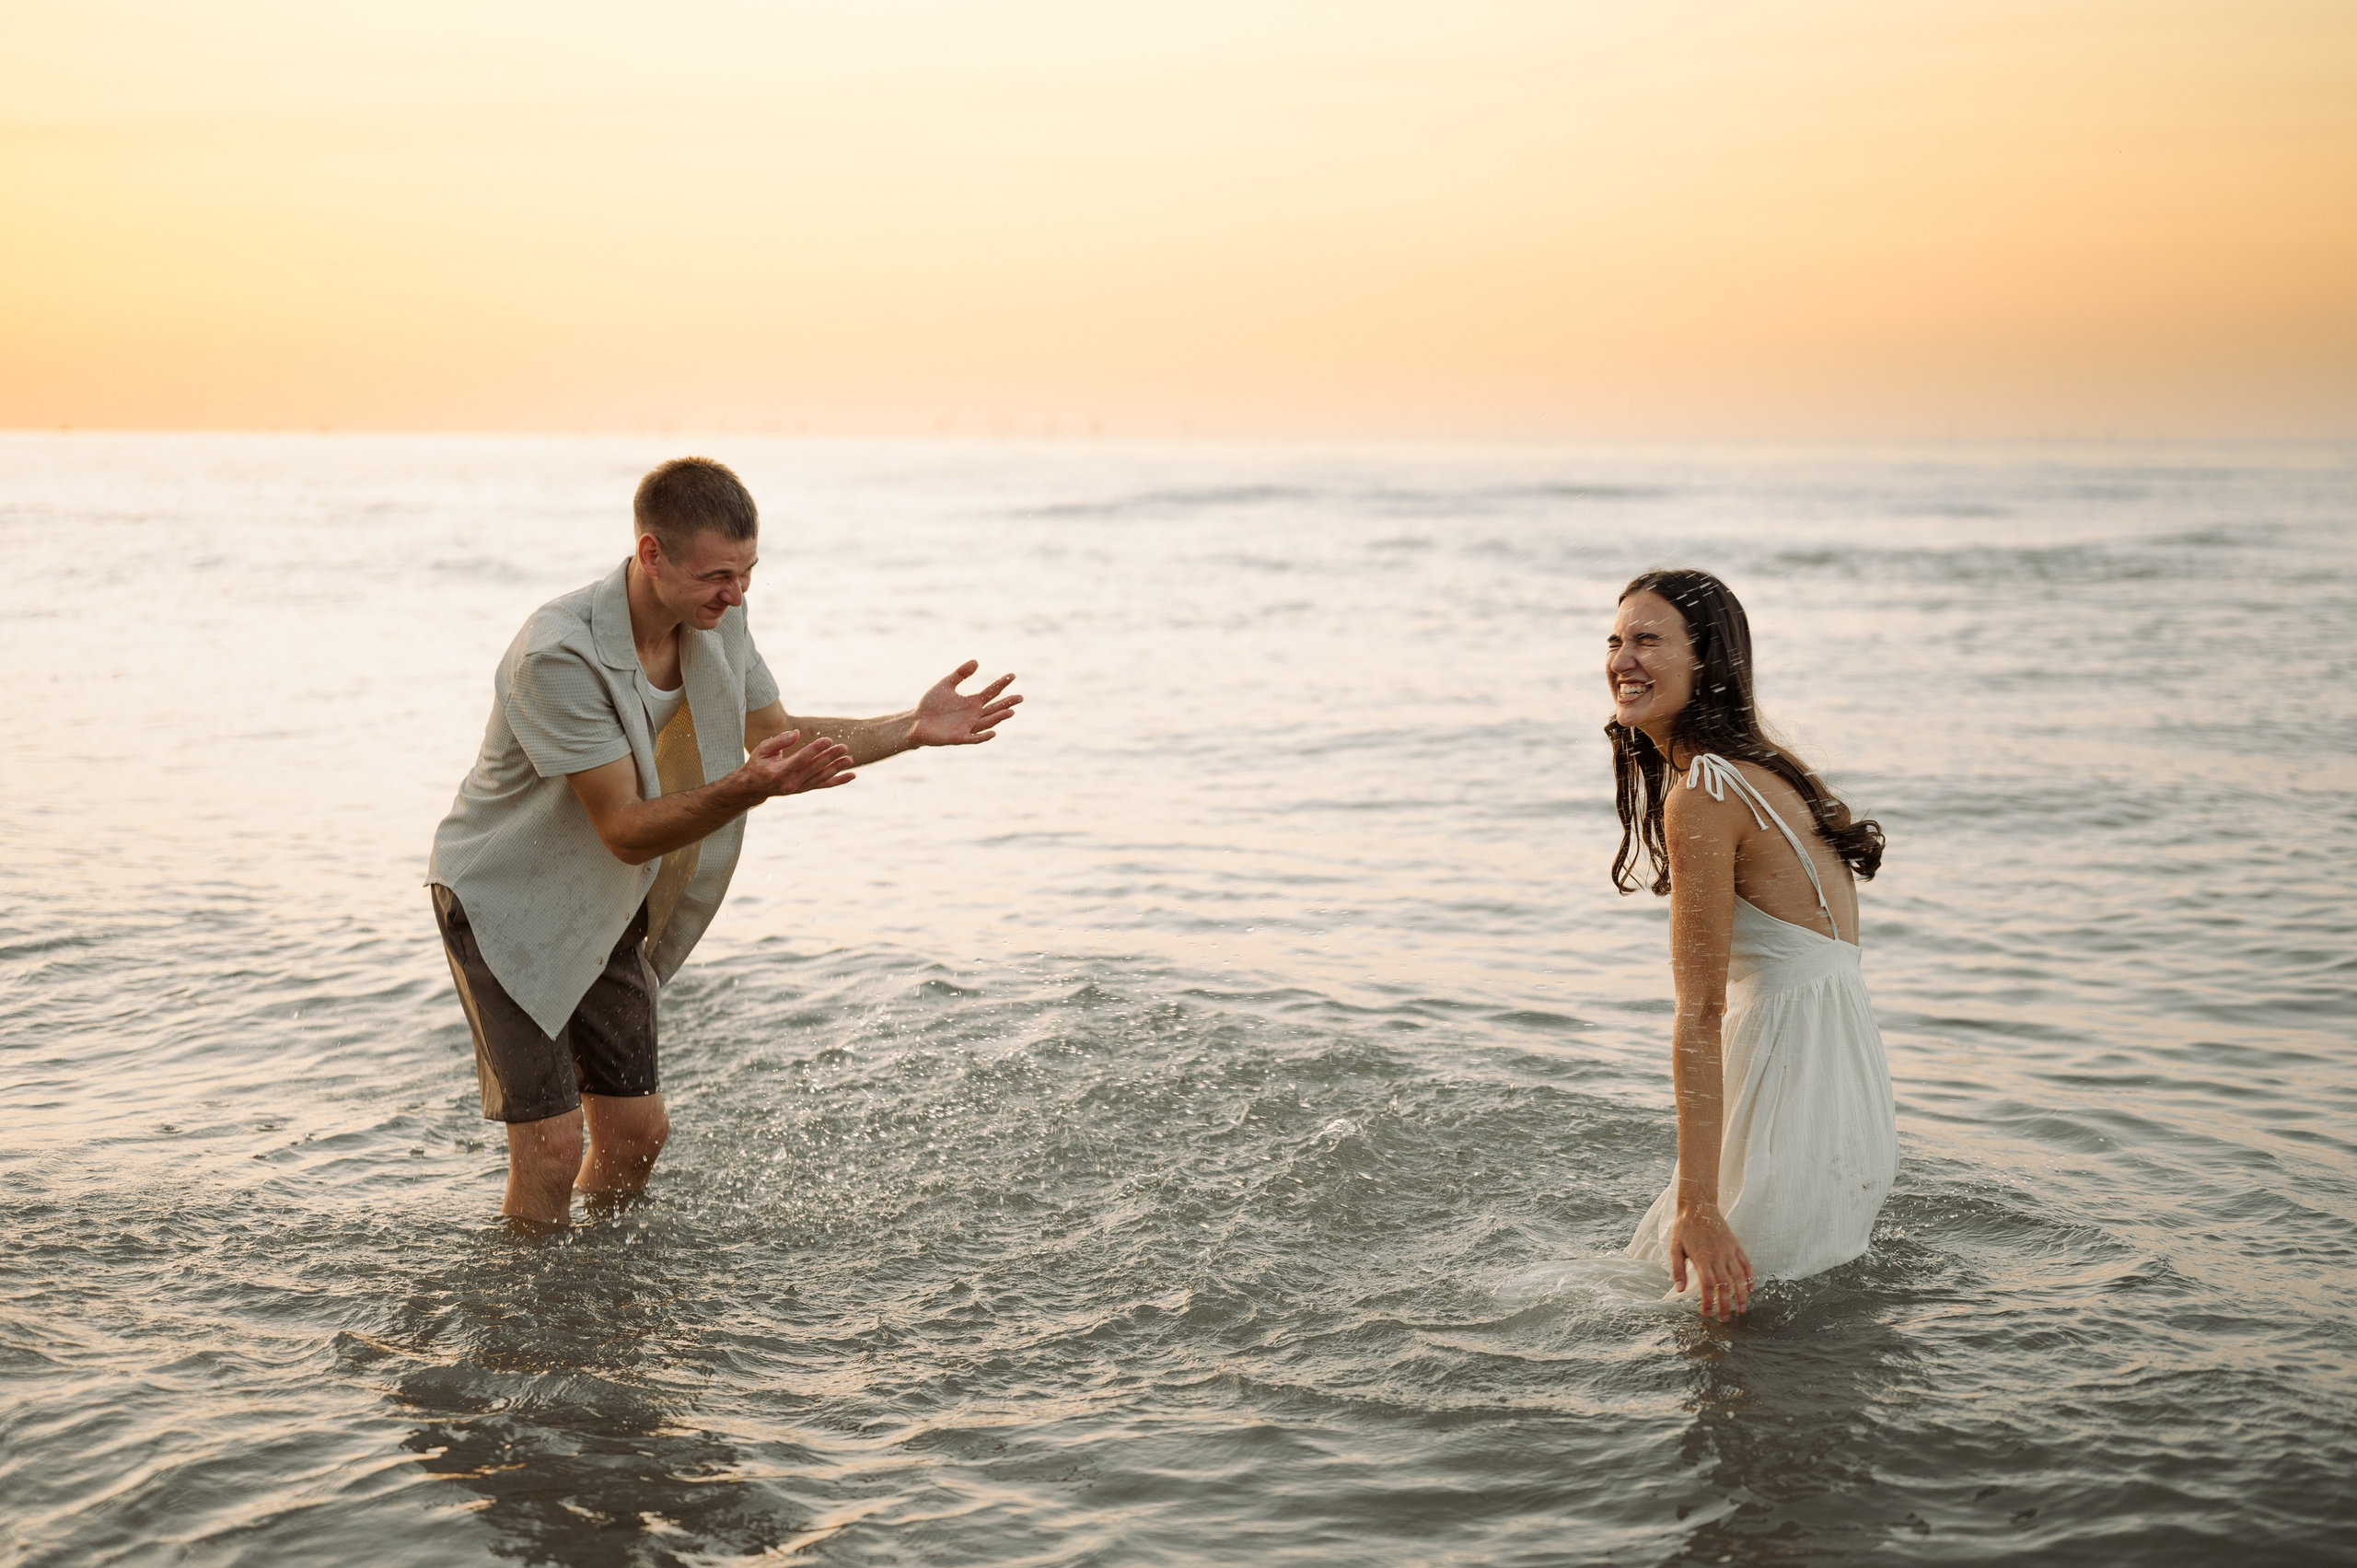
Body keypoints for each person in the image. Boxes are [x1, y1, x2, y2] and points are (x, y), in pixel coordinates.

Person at [426, 456, 1020, 1227]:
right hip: (508, 900)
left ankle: (597, 1286)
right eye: (716, 576)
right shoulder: (556, 654)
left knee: (638, 1134)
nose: (735, 595)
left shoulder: (717, 619)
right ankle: (523, 1318)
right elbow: (625, 830)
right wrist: (743, 787)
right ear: (650, 555)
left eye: (747, 574)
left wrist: (906, 729)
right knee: (550, 1147)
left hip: (605, 901)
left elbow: (774, 737)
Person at [1603, 568, 1894, 1319]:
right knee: (1762, 1339)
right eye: (1615, 640)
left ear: (1705, 661)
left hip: (1786, 1104)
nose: (1622, 660)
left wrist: (1697, 1204)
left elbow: (1699, 1012)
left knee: (1696, 1330)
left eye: (1647, 640)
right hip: (1845, 1101)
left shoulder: (1704, 792)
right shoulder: (1774, 774)